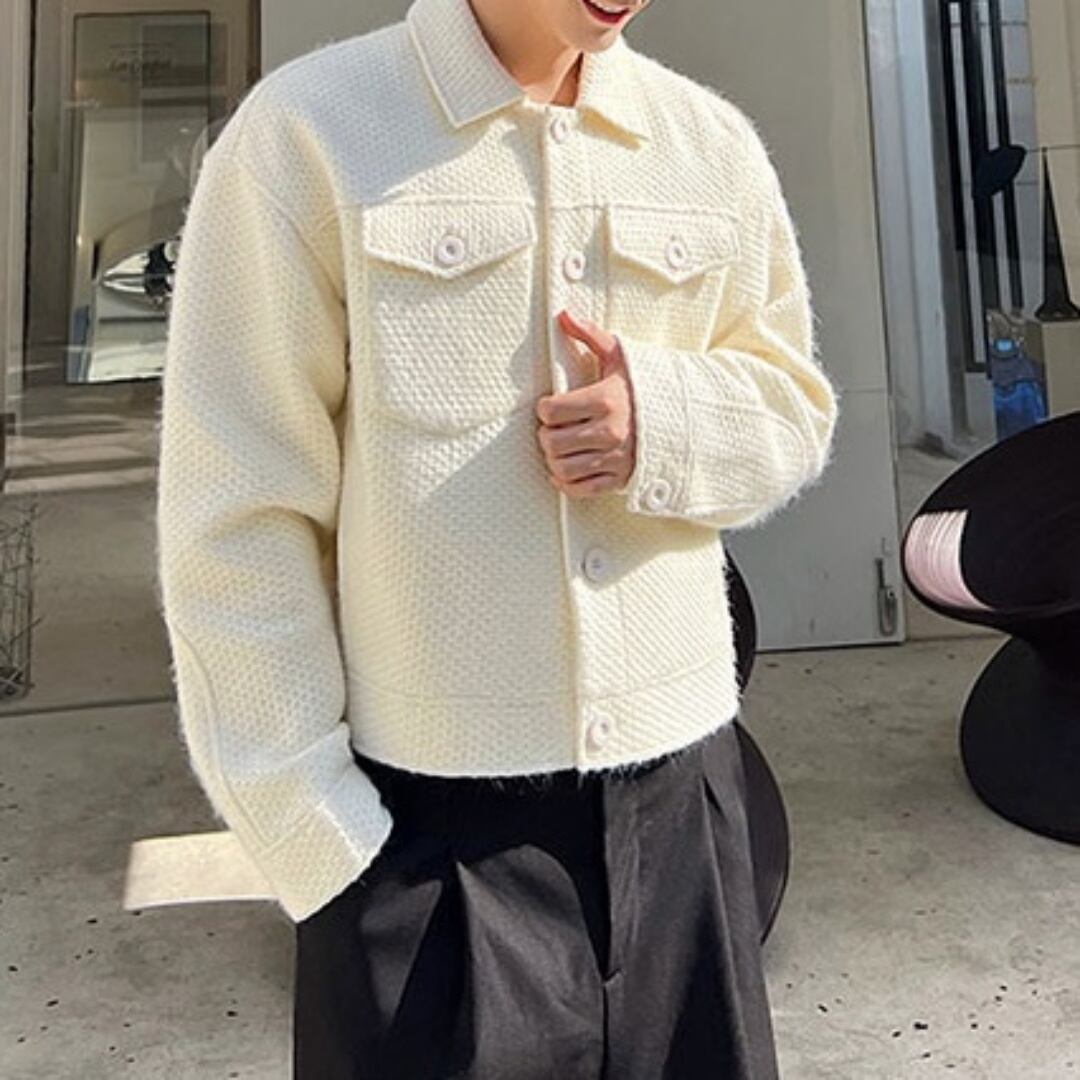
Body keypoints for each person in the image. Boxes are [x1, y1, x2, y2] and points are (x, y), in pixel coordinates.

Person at [154, 0, 841, 1075]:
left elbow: (794, 410)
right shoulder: (309, 133)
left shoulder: (707, 144)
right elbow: (238, 516)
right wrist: (318, 841)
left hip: (685, 814)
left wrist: (662, 421)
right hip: (421, 839)